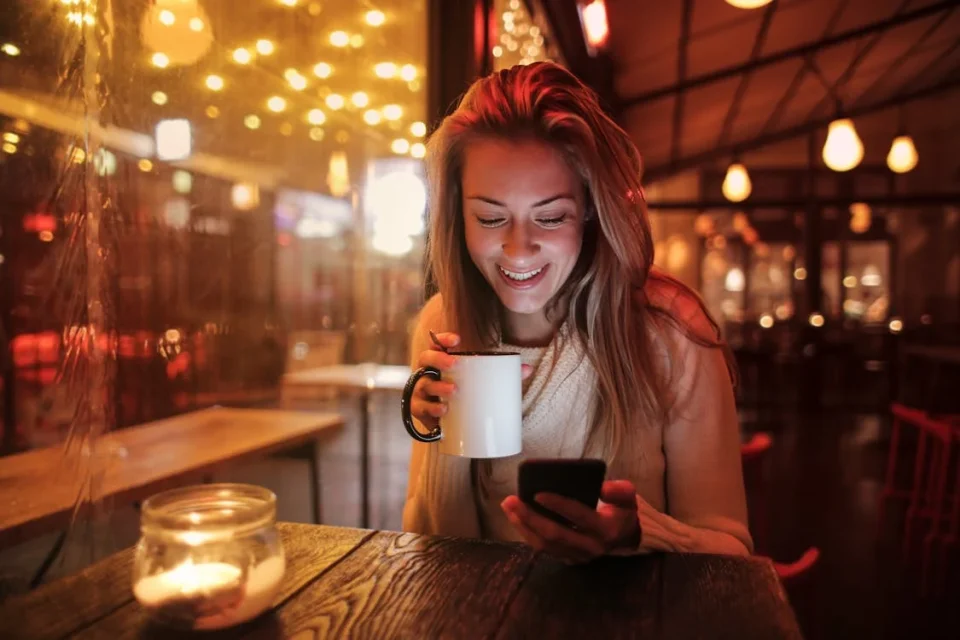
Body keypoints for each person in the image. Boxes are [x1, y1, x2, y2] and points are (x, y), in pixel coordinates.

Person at [402, 61, 752, 562]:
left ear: (590, 209)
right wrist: (437, 435)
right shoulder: (444, 323)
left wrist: (640, 536)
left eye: (549, 216)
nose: (519, 249)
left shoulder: (669, 331)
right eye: (490, 217)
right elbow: (439, 551)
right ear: (458, 214)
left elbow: (732, 549)